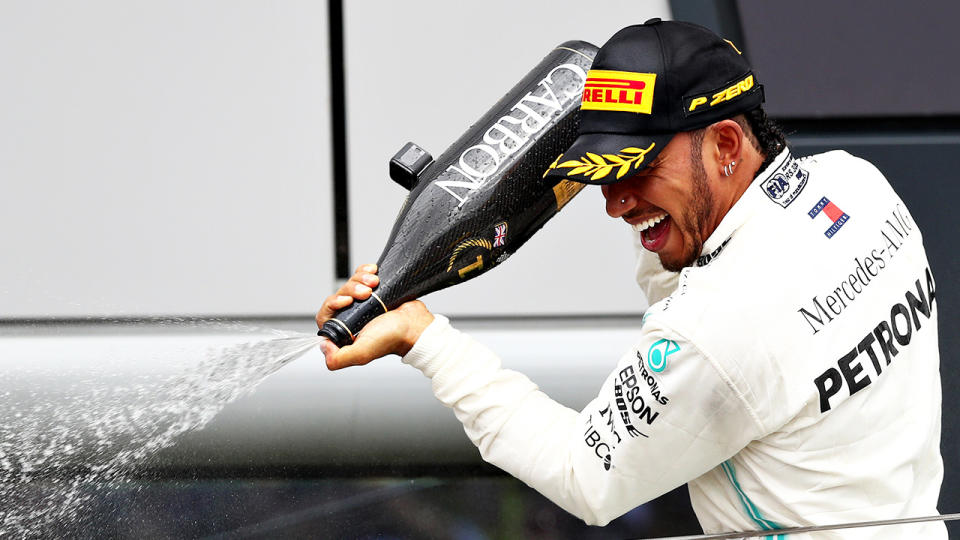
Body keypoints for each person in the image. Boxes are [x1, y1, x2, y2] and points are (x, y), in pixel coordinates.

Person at [317, 20, 944, 537]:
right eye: (602, 174)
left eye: (635, 168)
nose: (614, 203)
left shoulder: (715, 332)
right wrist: (658, 215)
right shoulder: (858, 185)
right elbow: (706, 293)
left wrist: (425, 339)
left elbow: (583, 476)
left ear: (727, 144)